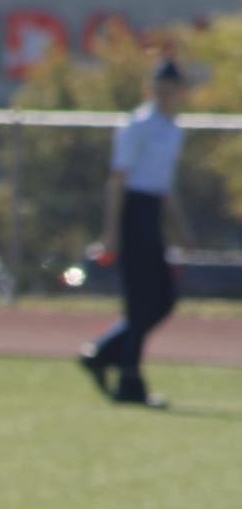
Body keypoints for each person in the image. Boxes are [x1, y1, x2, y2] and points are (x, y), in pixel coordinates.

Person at [79, 57, 189, 408]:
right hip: (133, 212)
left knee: (163, 299)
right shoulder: (137, 125)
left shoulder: (174, 129)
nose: (166, 94)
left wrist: (180, 226)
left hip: (152, 211)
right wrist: (111, 233)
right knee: (141, 300)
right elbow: (118, 181)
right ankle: (130, 380)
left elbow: (165, 186)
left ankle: (103, 352)